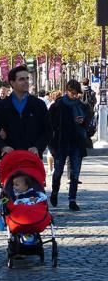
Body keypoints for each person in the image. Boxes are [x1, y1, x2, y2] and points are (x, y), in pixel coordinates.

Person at [48, 80, 92, 211]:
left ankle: (72, 200)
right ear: (67, 91)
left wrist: (83, 122)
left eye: (77, 93)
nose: (75, 95)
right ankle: (54, 192)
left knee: (75, 173)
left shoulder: (82, 106)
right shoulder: (58, 105)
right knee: (58, 171)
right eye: (72, 93)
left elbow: (88, 126)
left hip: (77, 143)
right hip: (61, 142)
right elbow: (50, 124)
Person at [0, 66, 52, 159]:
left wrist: (38, 147)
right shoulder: (1, 106)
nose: (26, 81)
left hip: (32, 158)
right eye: (21, 79)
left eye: (27, 78)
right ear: (12, 82)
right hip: (10, 159)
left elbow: (48, 131)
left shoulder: (39, 104)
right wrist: (3, 147)